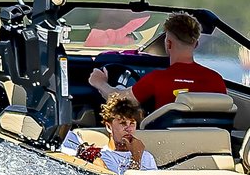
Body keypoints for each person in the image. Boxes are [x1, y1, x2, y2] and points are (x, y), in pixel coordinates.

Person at [88, 12, 226, 112]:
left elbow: (119, 102)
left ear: (168, 44)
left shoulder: (157, 79)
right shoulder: (216, 80)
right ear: (195, 45)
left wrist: (99, 82)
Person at [59, 92, 156, 174]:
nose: (128, 129)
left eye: (132, 123)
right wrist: (136, 157)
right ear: (109, 127)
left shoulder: (147, 157)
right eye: (123, 123)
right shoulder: (101, 156)